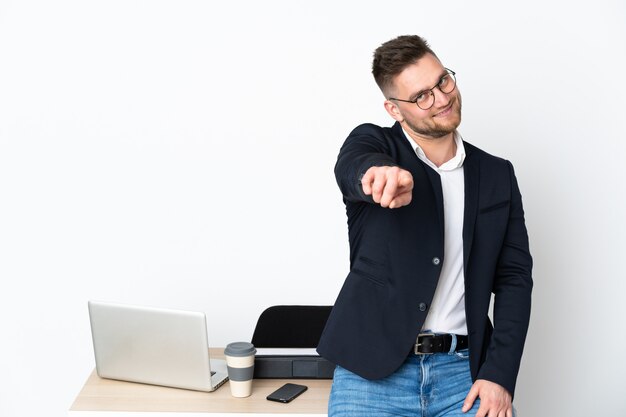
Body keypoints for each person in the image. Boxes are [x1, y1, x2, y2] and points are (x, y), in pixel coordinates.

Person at [316, 35, 533, 417]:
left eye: (443, 81)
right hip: (371, 374)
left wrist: (499, 375)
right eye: (421, 96)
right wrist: (377, 176)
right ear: (394, 109)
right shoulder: (374, 144)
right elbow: (352, 166)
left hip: (463, 375)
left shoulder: (497, 174)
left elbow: (515, 278)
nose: (442, 98)